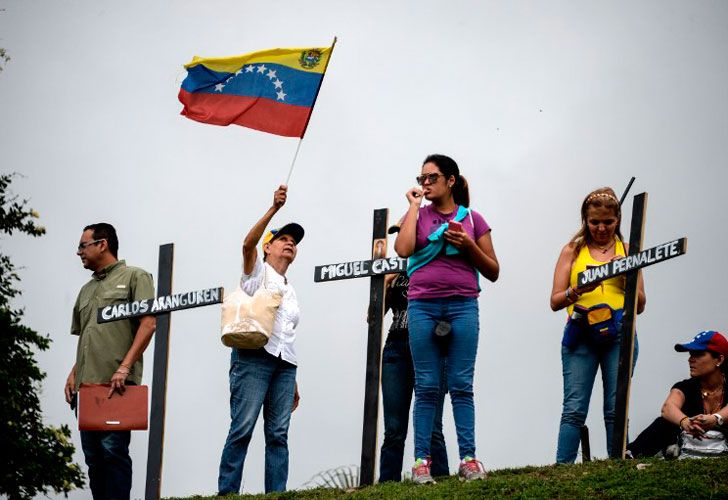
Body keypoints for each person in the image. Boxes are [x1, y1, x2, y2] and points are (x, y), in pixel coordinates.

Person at [395, 154, 499, 484]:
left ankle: (469, 460)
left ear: (450, 180)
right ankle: (420, 464)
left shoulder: (473, 219)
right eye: (421, 178)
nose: (425, 184)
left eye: (432, 178)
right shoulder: (418, 215)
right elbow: (403, 248)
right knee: (426, 386)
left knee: (461, 385)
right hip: (423, 306)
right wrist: (413, 207)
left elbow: (493, 270)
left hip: (463, 305)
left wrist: (468, 244)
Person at [549, 187, 646, 464]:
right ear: (585, 221)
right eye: (594, 222)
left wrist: (625, 274)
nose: (601, 228)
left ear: (618, 220)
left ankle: (618, 464)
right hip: (581, 332)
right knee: (574, 407)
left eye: (608, 222)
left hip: (619, 332)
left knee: (616, 406)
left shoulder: (628, 251)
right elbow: (555, 300)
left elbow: (640, 303)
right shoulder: (573, 250)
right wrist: (578, 289)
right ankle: (562, 467)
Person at [217, 184, 303, 495]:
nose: (290, 244)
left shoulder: (291, 288)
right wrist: (274, 209)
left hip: (284, 365)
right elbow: (246, 244)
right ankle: (227, 492)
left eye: (293, 242)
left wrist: (292, 378)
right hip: (253, 357)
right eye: (283, 239)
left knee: (279, 433)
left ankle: (276, 493)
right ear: (268, 247)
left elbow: (287, 335)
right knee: (242, 428)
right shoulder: (257, 273)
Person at [64, 223, 157, 500]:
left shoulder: (135, 277)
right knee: (93, 460)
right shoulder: (85, 290)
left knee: (113, 453)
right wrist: (73, 374)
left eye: (83, 245)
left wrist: (125, 367)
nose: (78, 252)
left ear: (102, 244)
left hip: (116, 386)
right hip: (86, 390)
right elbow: (88, 338)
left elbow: (148, 324)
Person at [379, 222, 449, 482]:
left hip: (430, 347)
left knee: (432, 425)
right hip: (396, 345)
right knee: (394, 428)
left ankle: (441, 479)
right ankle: (387, 484)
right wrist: (384, 285)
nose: (402, 241)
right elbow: (372, 317)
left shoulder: (435, 263)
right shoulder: (394, 273)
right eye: (399, 235)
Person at [628, 331, 728, 459]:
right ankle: (631, 454)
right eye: (691, 354)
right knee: (664, 422)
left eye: (698, 354)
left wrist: (715, 419)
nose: (690, 359)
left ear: (719, 359)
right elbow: (667, 408)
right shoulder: (685, 387)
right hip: (687, 444)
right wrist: (686, 422)